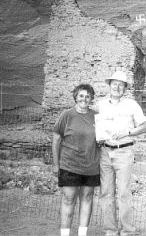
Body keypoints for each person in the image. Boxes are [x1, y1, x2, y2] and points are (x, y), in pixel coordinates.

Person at [97, 70, 146, 236]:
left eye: (121, 85)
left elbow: (143, 126)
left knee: (124, 192)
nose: (117, 87)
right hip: (105, 152)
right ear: (109, 85)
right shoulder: (101, 105)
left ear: (125, 88)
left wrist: (128, 132)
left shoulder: (131, 105)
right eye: (114, 84)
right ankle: (110, 230)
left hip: (124, 151)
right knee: (106, 192)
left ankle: (127, 230)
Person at [52, 84, 100, 236]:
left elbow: (102, 138)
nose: (84, 99)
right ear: (75, 97)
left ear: (91, 98)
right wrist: (56, 164)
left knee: (87, 198)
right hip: (70, 165)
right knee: (68, 199)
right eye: (81, 95)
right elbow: (56, 139)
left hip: (91, 166)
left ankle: (82, 233)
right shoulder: (67, 115)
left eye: (87, 96)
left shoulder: (96, 117)